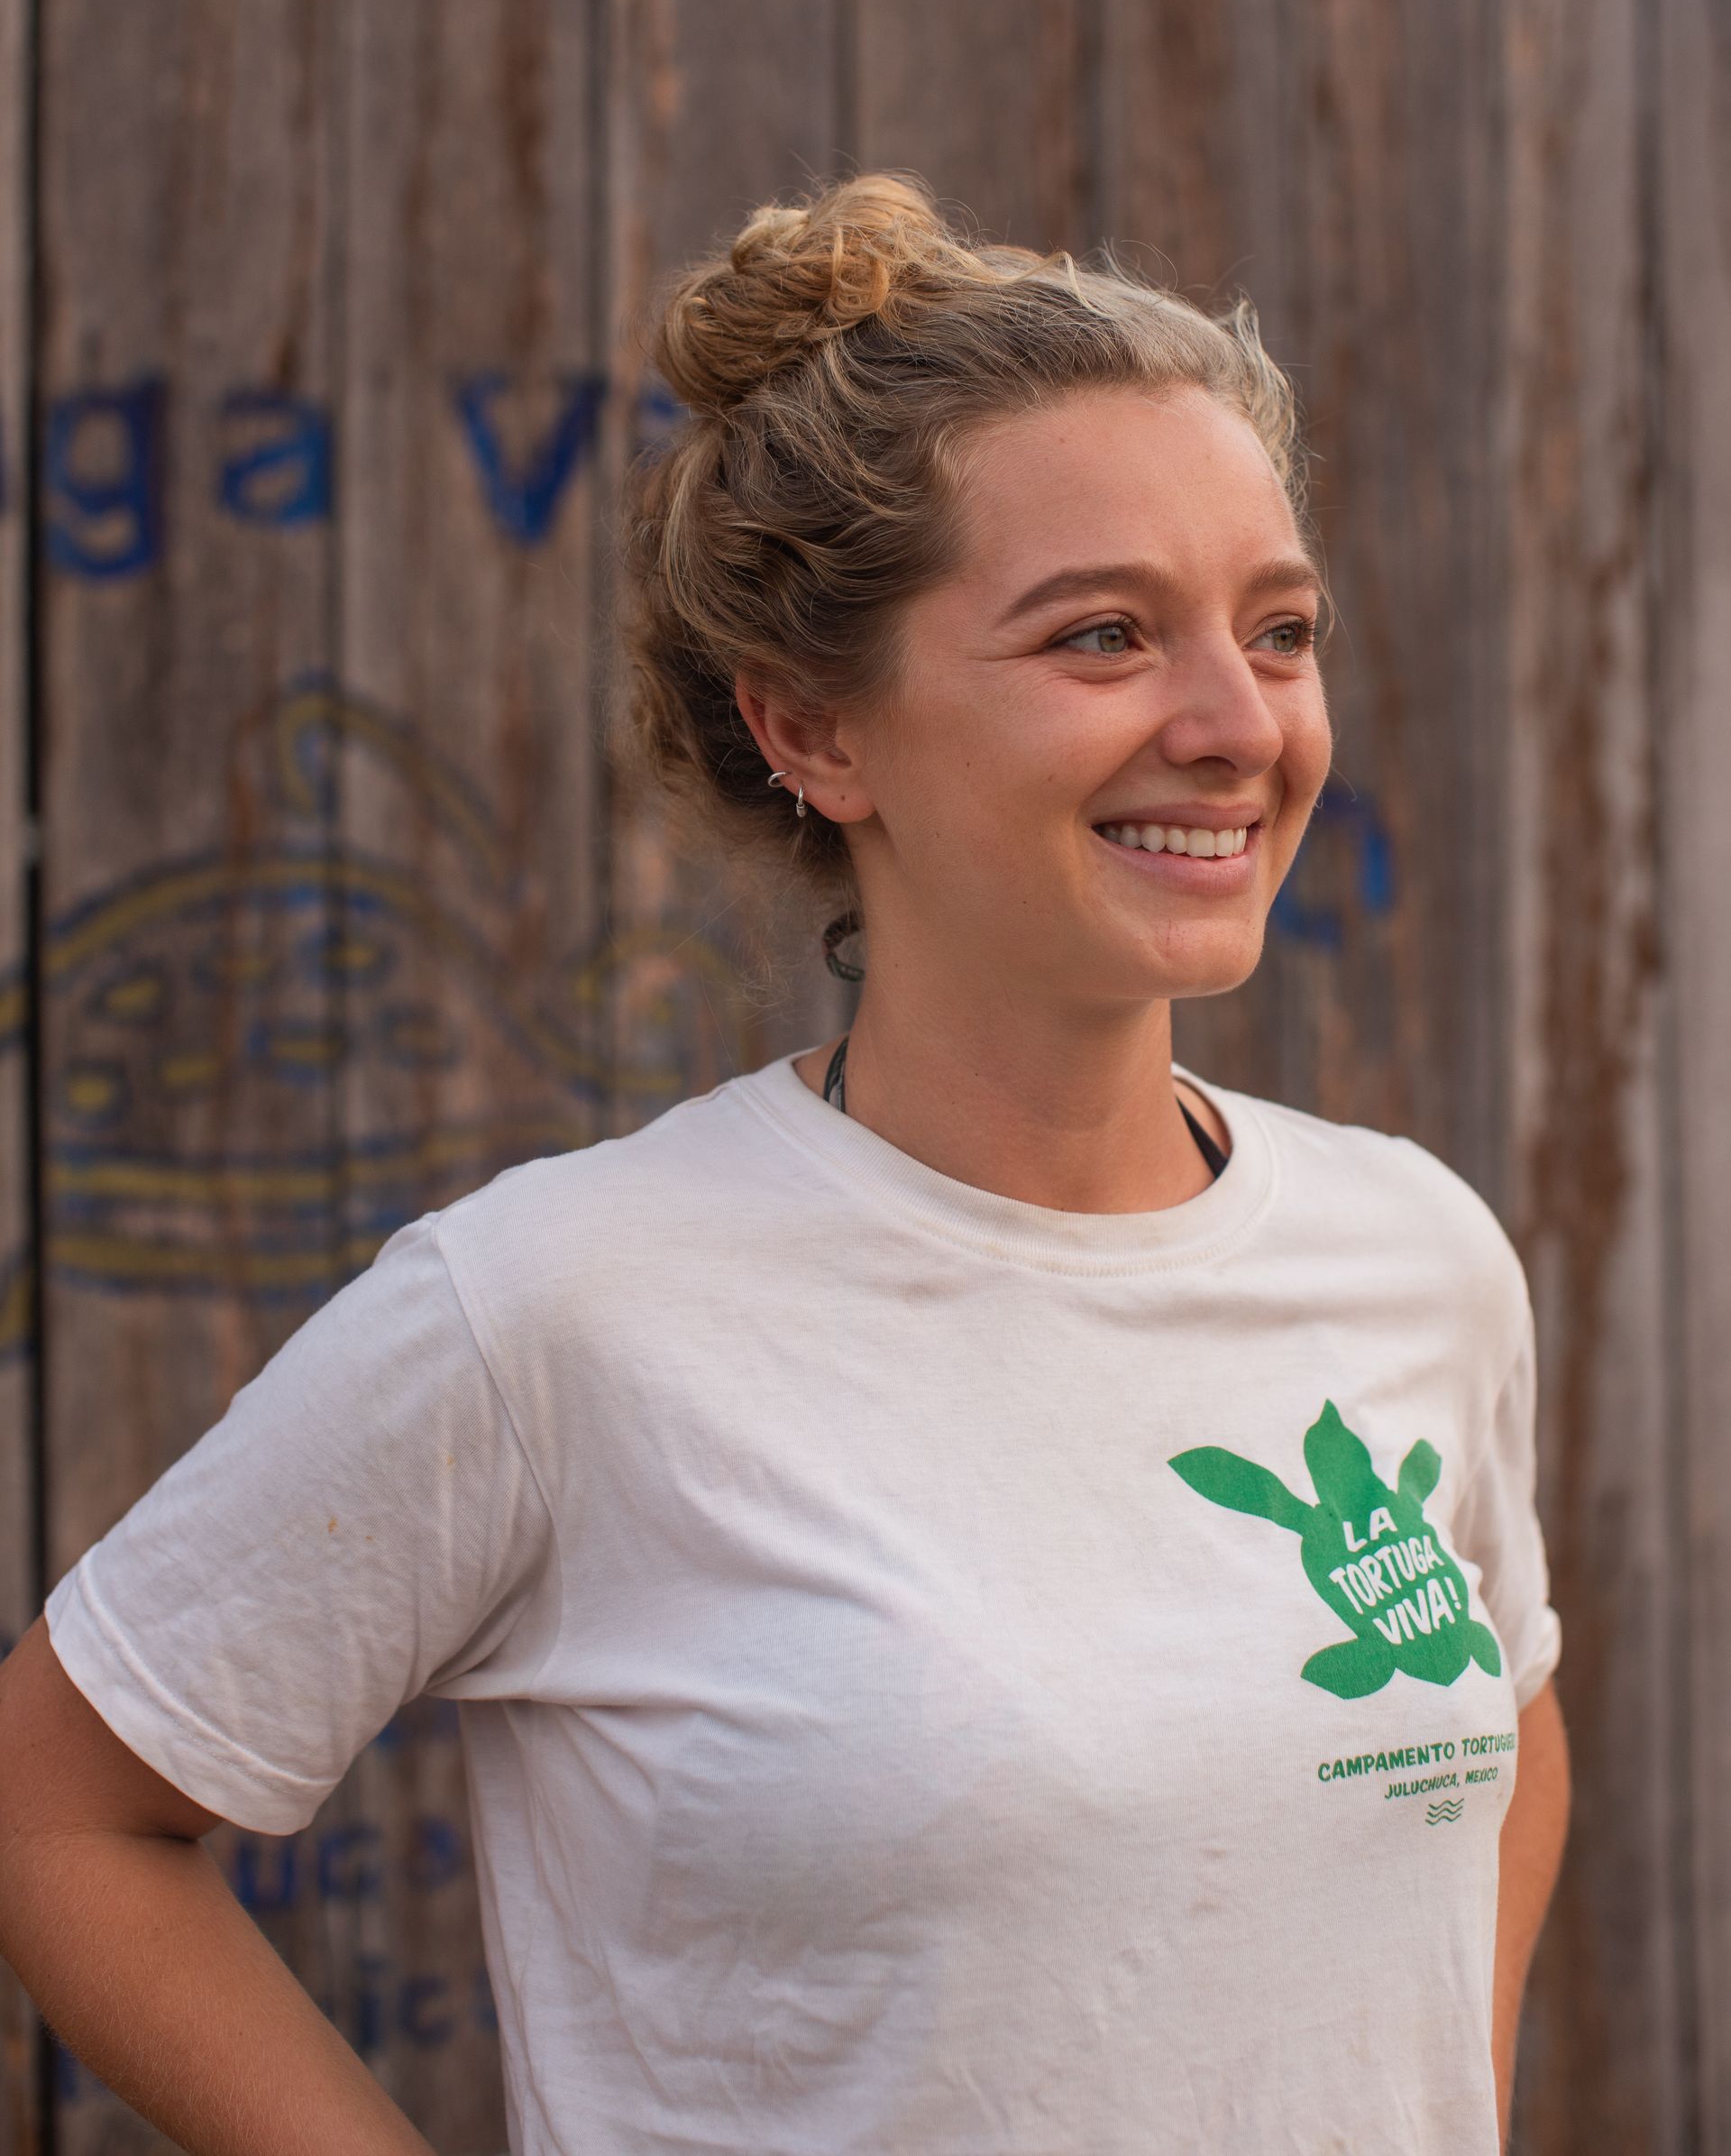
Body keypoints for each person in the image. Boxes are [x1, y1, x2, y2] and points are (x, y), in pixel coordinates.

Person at [0, 174, 1568, 2153]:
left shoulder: (1412, 1251)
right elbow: (66, 1812)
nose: (1233, 722)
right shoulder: (559, 1312)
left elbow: (1509, 1724)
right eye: (1103, 637)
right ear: (817, 730)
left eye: (1279, 630)